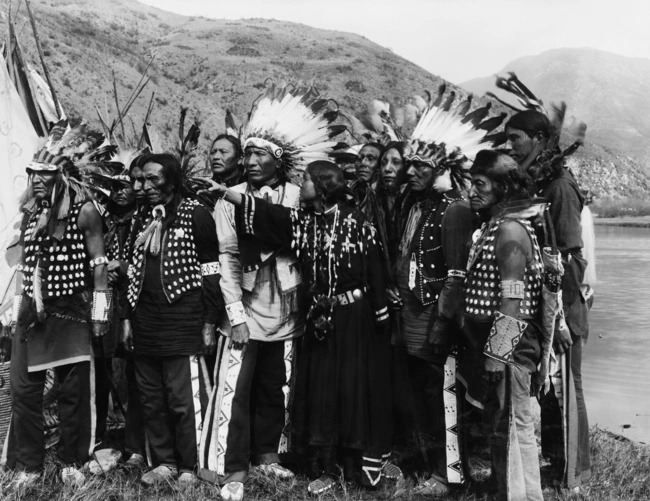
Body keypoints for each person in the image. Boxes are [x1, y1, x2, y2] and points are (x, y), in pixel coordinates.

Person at [197, 83, 348, 501]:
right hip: (245, 308)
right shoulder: (229, 201)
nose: (250, 162)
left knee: (276, 385)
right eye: (246, 155)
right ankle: (228, 464)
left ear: (279, 161)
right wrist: (235, 315)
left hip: (287, 308)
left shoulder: (298, 198)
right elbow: (228, 259)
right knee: (235, 388)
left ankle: (268, 453)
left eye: (259, 155)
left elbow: (314, 242)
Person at [206, 160, 392, 496]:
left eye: (305, 180)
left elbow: (376, 269)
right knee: (323, 391)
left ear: (322, 187)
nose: (299, 184)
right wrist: (227, 194)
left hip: (353, 319)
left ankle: (356, 466)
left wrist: (380, 315)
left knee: (352, 389)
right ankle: (327, 468)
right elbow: (269, 215)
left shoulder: (357, 221)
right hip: (320, 319)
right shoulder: (304, 221)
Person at [387, 88, 503, 496]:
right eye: (411, 164)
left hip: (435, 319)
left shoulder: (454, 210)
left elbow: (456, 276)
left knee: (441, 394)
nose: (412, 172)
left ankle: (449, 475)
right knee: (421, 394)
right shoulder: (417, 205)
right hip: (412, 315)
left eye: (421, 166)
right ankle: (429, 465)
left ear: (442, 167)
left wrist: (441, 322)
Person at [3, 121, 110, 487]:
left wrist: (100, 315)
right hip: (31, 316)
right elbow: (25, 265)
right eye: (33, 173)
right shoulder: (31, 212)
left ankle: (70, 461)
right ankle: (30, 465)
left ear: (62, 175)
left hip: (72, 314)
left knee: (72, 394)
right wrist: (16, 309)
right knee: (23, 391)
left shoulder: (85, 211)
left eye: (45, 174)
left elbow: (99, 265)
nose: (36, 180)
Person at [499, 73, 591, 491]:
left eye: (515, 139)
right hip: (543, 306)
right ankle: (556, 462)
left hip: (562, 308)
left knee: (566, 387)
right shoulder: (538, 181)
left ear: (538, 139)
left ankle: (573, 475)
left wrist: (563, 318)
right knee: (548, 389)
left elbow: (570, 257)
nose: (509, 146)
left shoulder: (559, 187)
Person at [120, 152, 223, 487]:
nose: (145, 185)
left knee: (183, 400)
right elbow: (132, 273)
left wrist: (209, 321)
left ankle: (190, 466)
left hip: (183, 321)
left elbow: (211, 272)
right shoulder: (141, 218)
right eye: (142, 179)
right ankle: (163, 461)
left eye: (154, 178)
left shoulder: (196, 214)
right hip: (145, 322)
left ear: (173, 180)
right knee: (152, 399)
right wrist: (126, 318)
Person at [460, 149, 545, 501]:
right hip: (496, 341)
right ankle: (506, 491)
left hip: (510, 344)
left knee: (512, 423)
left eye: (480, 184)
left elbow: (513, 296)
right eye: (472, 184)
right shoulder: (497, 225)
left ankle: (521, 495)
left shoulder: (510, 229)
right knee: (501, 422)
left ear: (504, 188)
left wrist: (497, 354)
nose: (472, 192)